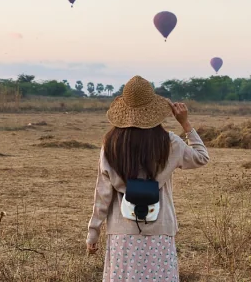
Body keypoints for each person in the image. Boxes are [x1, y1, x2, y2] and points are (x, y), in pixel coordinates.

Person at [86, 75, 209, 281]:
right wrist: (186, 124)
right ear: (154, 111)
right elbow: (202, 157)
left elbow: (103, 194)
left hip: (122, 232)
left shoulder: (111, 144)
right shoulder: (170, 143)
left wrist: (93, 232)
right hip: (160, 230)